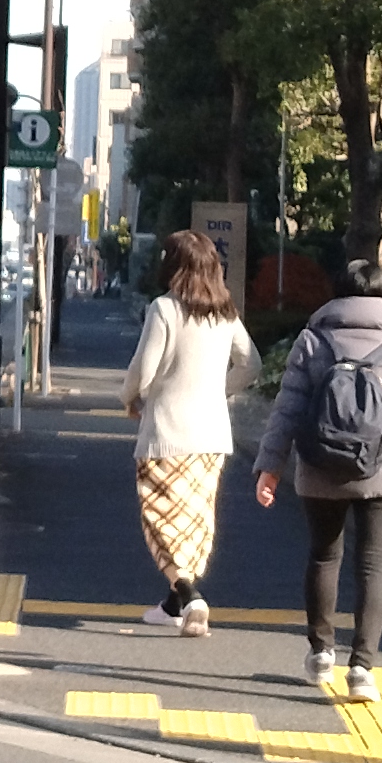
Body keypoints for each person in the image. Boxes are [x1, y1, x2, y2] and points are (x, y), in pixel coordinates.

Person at [251, 245, 382, 700]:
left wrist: (270, 467)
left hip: (320, 465)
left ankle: (320, 652)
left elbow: (287, 409)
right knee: (374, 566)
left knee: (323, 555)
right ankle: (363, 670)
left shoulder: (314, 338)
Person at [120, 226, 256, 634]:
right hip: (212, 436)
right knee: (193, 520)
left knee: (160, 519)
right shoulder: (225, 311)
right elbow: (252, 365)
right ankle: (173, 604)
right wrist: (219, 389)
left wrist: (130, 398)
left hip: (167, 432)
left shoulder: (165, 309)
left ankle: (191, 597)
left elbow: (142, 368)